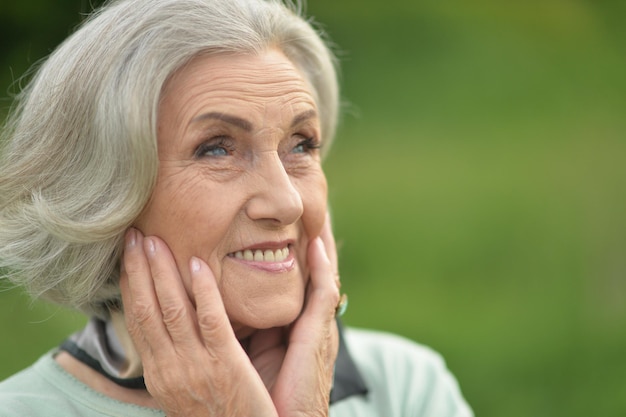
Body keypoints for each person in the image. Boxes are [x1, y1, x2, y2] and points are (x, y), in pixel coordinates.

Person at [0, 0, 473, 415]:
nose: (286, 201)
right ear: (100, 196)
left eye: (301, 145)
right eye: (217, 149)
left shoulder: (406, 388)